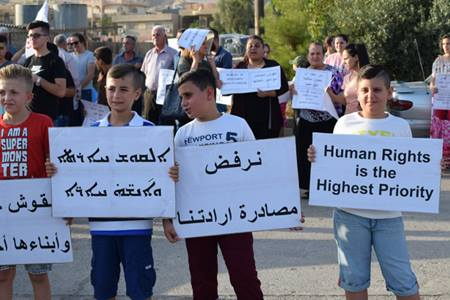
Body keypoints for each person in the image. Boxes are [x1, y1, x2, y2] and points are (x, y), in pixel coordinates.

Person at [46, 64, 179, 300]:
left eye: (123, 90)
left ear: (137, 94)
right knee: (103, 289)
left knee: (140, 290)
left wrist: (169, 213)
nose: (116, 96)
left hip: (137, 229)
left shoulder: (151, 132)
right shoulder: (90, 132)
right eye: (111, 89)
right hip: (101, 229)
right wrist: (58, 172)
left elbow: (163, 181)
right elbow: (79, 175)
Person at [308, 64, 420, 300]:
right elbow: (333, 166)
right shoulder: (343, 125)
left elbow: (411, 170)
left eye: (377, 90)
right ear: (357, 94)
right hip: (349, 216)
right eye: (365, 90)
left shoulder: (401, 127)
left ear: (389, 93)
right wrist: (316, 157)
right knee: (354, 280)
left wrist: (430, 167)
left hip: (389, 218)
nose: (371, 96)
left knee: (404, 282)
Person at [162, 69, 264, 300]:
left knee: (244, 277)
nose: (183, 103)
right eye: (181, 97)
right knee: (202, 281)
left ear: (209, 93)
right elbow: (171, 182)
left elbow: (260, 172)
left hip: (236, 218)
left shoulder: (238, 126)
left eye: (188, 95)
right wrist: (168, 218)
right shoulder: (182, 135)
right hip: (197, 220)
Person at [0, 64, 54, 300]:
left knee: (38, 275)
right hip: (3, 215)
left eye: (13, 92)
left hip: (37, 214)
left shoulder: (43, 123)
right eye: (2, 92)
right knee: (3, 276)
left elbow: (57, 167)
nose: (6, 97)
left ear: (28, 96)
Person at [294, 42, 344, 199]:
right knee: (305, 155)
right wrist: (293, 91)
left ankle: (326, 186)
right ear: (308, 56)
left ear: (323, 55)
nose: (315, 57)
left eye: (318, 53)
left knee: (325, 154)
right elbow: (295, 97)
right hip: (306, 120)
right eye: (312, 54)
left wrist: (329, 93)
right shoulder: (302, 74)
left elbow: (340, 98)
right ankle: (308, 187)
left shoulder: (333, 73)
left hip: (327, 120)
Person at [231, 35, 289, 139]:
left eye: (257, 46)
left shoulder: (273, 66)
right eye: (250, 46)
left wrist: (268, 93)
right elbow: (228, 89)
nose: (253, 48)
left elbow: (283, 87)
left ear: (263, 50)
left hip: (267, 120)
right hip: (244, 119)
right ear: (246, 49)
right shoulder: (239, 67)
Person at [24, 21, 66, 121]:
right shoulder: (28, 60)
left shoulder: (56, 61)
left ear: (47, 37)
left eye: (36, 35)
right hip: (29, 116)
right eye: (30, 36)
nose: (32, 39)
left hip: (48, 117)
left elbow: (61, 91)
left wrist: (38, 80)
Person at [140, 25, 177, 124]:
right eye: (153, 35)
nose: (155, 37)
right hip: (149, 94)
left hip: (165, 96)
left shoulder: (173, 54)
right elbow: (144, 73)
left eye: (158, 35)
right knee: (149, 122)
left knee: (165, 122)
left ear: (164, 37)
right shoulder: (149, 54)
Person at [430, 33, 450, 169]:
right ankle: (438, 160)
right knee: (438, 129)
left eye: (448, 44)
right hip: (439, 101)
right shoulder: (437, 61)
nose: (446, 47)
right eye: (444, 44)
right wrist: (432, 87)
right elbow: (433, 79)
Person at [209, 28, 233, 113]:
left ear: (215, 40)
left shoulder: (225, 55)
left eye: (209, 40)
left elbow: (226, 79)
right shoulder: (205, 55)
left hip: (220, 101)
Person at [342, 43, 370, 114]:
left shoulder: (370, 77)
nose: (343, 62)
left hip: (364, 119)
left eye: (346, 58)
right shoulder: (347, 77)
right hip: (348, 118)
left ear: (356, 57)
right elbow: (345, 101)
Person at [68, 33, 95, 102]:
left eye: (76, 43)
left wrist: (79, 87)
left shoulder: (89, 55)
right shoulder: (69, 56)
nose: (74, 45)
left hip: (85, 91)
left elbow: (90, 75)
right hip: (72, 91)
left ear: (82, 42)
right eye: (71, 44)